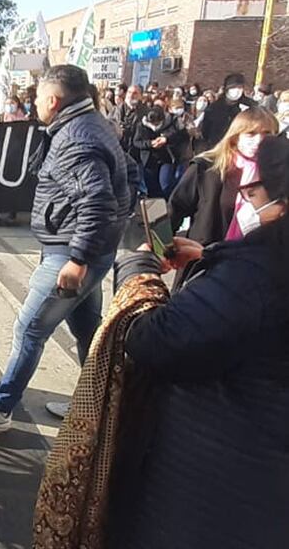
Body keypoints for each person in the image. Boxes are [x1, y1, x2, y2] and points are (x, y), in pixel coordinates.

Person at [103, 134, 289, 549]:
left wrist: (137, 269)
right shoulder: (258, 270)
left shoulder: (258, 275)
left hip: (219, 489)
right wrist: (212, 258)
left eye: (252, 191)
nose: (243, 198)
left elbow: (156, 342)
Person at [0, 65, 131, 430]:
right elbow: (127, 179)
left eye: (36, 97)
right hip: (87, 248)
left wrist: (78, 259)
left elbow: (97, 201)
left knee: (30, 330)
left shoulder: (76, 139)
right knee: (87, 330)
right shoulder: (93, 125)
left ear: (54, 99)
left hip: (72, 253)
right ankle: (97, 408)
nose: (33, 103)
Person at [169, 108, 278, 254]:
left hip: (255, 263)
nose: (259, 140)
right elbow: (175, 209)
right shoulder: (206, 168)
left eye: (267, 134)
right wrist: (160, 251)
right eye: (251, 133)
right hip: (204, 259)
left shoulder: (278, 174)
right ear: (235, 137)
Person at [132, 105, 186, 199]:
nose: (155, 126)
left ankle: (169, 203)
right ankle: (156, 210)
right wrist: (150, 143)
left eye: (158, 123)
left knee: (166, 185)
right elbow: (136, 142)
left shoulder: (171, 122)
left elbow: (181, 136)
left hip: (166, 158)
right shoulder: (141, 125)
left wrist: (166, 139)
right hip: (149, 161)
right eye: (153, 123)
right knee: (152, 189)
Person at [195, 72, 256, 154]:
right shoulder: (214, 107)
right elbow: (206, 130)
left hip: (238, 150)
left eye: (240, 88)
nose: (237, 91)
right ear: (226, 89)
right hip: (216, 147)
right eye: (233, 87)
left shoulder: (250, 106)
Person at [109, 85, 148, 158]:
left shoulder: (145, 112)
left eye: (135, 93)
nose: (131, 95)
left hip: (137, 154)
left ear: (141, 96)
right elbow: (107, 126)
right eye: (129, 92)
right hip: (118, 152)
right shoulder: (116, 110)